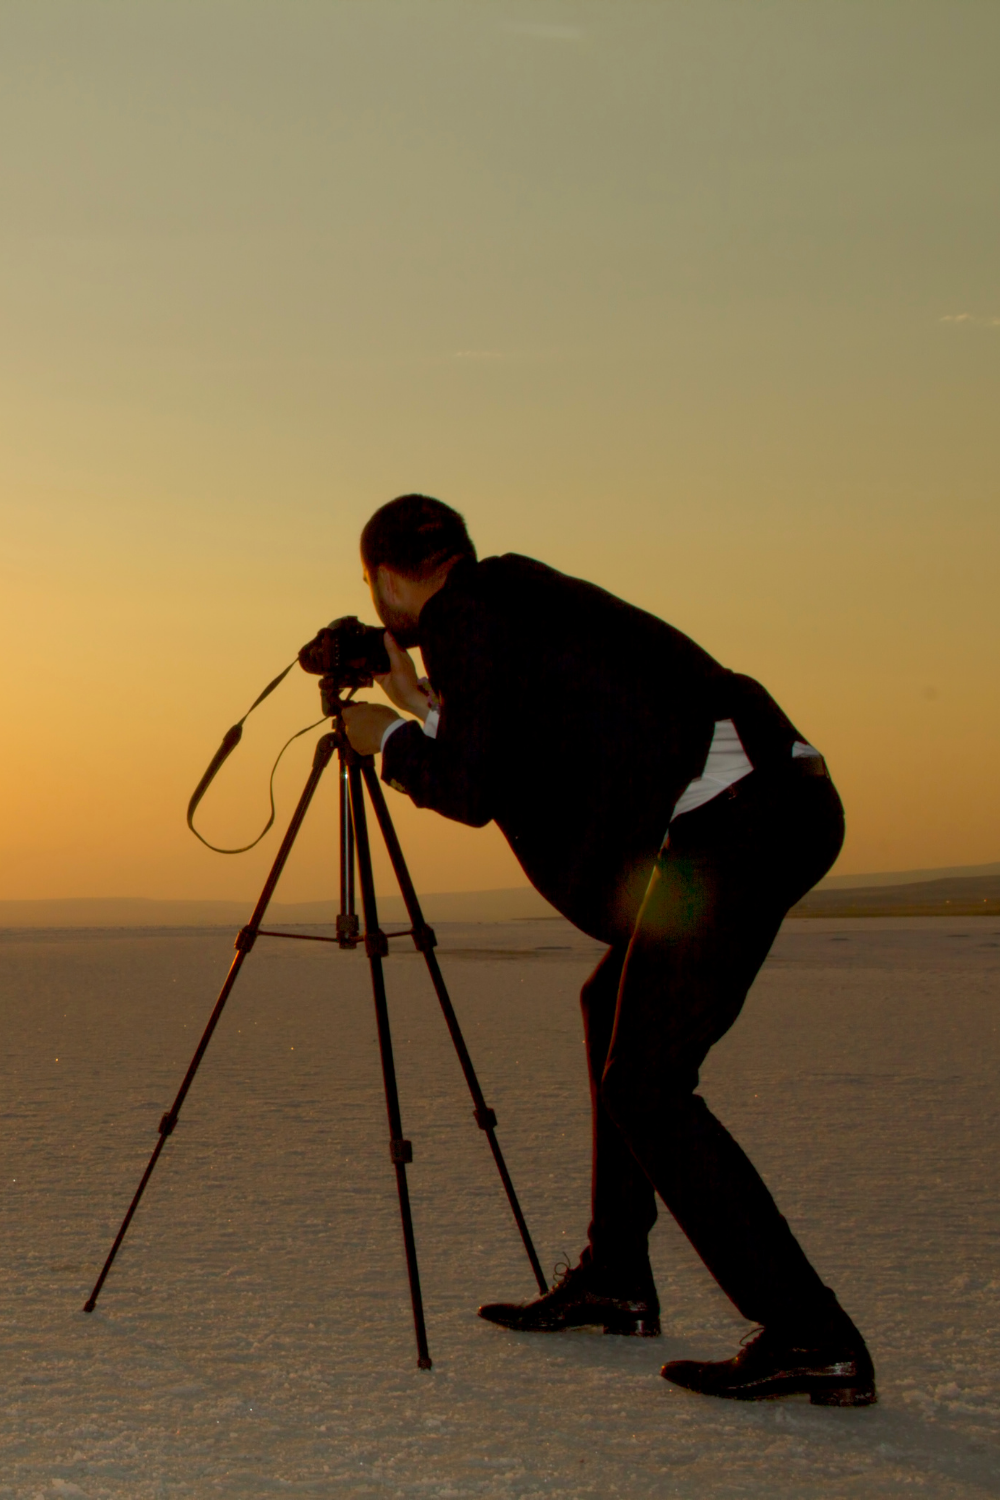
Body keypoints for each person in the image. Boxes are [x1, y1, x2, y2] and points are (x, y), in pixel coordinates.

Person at [342, 493, 876, 1407]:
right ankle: (618, 1277)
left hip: (738, 822)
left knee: (648, 1082)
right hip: (766, 804)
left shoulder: (468, 612)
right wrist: (416, 701)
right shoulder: (512, 600)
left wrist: (385, 739)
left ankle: (812, 1336)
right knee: (612, 1010)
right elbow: (514, 739)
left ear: (390, 578)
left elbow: (472, 786)